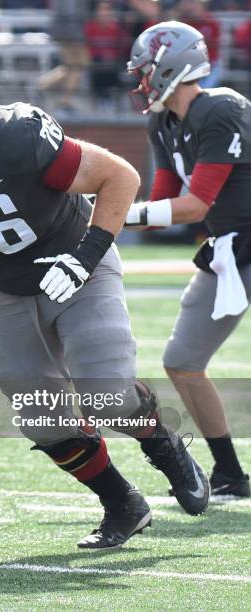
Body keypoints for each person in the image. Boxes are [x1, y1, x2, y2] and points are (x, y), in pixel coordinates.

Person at [0, 48, 209, 550]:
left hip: (76, 267)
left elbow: (120, 177)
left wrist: (86, 257)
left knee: (106, 393)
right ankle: (122, 503)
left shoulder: (21, 137)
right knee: (36, 412)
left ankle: (165, 446)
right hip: (8, 287)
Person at [125, 21, 250, 497]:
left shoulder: (220, 108)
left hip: (240, 242)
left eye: (145, 71)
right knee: (182, 361)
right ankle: (231, 475)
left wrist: (119, 215)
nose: (140, 80)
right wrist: (108, 209)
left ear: (169, 67)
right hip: (229, 249)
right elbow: (162, 206)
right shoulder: (162, 119)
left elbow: (195, 205)